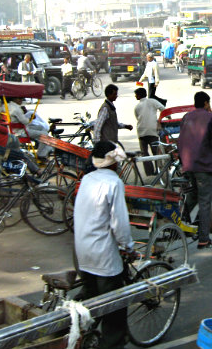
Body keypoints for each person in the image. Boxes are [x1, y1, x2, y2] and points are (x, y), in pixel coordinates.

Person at [73, 141, 134, 349]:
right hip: (103, 255)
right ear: (114, 163)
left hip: (82, 251)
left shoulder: (87, 179)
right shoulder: (114, 183)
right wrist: (128, 246)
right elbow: (120, 223)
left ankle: (81, 336)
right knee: (114, 307)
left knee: (90, 298)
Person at [177, 92, 212, 249]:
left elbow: (181, 140)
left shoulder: (187, 117)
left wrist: (181, 162)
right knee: (205, 200)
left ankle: (181, 222)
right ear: (206, 103)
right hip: (202, 164)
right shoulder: (211, 118)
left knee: (192, 195)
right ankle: (204, 238)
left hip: (187, 163)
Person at [133, 87, 164, 176]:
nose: (135, 96)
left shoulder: (137, 107)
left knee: (145, 153)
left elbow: (137, 117)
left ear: (139, 96)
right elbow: (163, 108)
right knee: (155, 152)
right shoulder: (152, 101)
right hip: (152, 130)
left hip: (141, 132)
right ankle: (158, 170)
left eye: (136, 95)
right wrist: (160, 120)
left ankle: (149, 172)